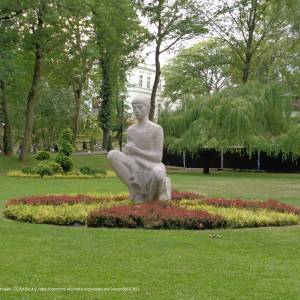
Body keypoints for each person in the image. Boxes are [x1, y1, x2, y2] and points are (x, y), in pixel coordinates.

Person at [108, 96, 170, 203]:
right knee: (112, 155)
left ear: (147, 109)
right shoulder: (131, 130)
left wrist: (136, 150)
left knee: (158, 175)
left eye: (140, 107)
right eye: (134, 108)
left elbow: (157, 157)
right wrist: (127, 151)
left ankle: (152, 197)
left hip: (152, 165)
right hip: (135, 163)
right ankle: (135, 191)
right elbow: (129, 154)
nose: (136, 110)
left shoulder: (156, 129)